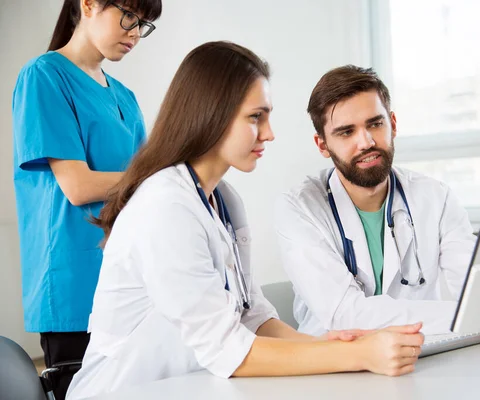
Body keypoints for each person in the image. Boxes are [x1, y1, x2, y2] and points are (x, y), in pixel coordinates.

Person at [66, 42, 426, 400]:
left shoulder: (224, 199)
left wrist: (320, 345)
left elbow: (252, 315)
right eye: (256, 117)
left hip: (188, 386)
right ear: (213, 114)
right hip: (123, 391)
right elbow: (227, 348)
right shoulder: (165, 207)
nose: (269, 133)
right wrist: (356, 355)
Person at [274, 65, 480, 338]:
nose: (366, 142)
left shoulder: (436, 198)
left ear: (393, 124)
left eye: (375, 124)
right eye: (346, 132)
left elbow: (471, 294)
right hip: (335, 369)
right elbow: (345, 315)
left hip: (423, 356)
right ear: (322, 145)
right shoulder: (299, 208)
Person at [12, 1, 161, 398]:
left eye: (144, 25)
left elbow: (146, 191)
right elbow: (78, 186)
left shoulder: (125, 97)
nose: (135, 32)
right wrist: (162, 173)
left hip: (127, 282)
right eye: (130, 17)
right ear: (89, 4)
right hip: (73, 282)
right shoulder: (44, 77)